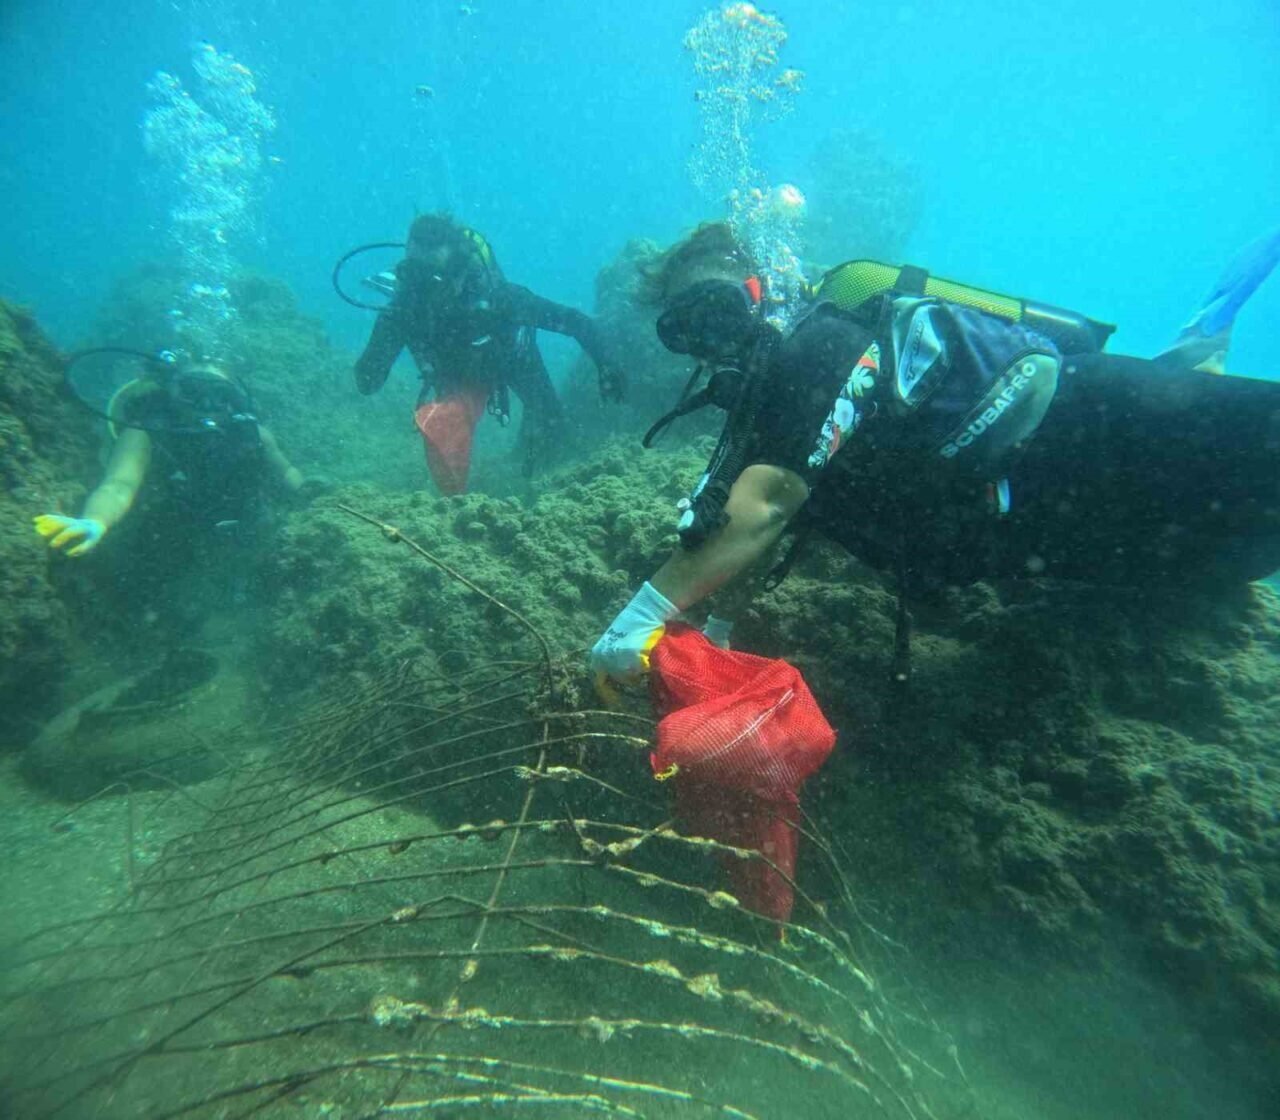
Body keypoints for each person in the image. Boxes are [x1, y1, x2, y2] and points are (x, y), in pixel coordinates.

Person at [590, 223, 1280, 683]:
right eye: (685, 330)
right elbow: (755, 530)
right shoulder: (765, 405)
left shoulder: (818, 342)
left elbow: (768, 503)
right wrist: (717, 627)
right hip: (1040, 526)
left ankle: (1196, 354)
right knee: (1234, 565)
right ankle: (1195, 356)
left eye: (719, 310)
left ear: (760, 291)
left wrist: (641, 618)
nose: (714, 339)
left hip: (1097, 428)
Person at [352, 213, 626, 494]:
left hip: (511, 361)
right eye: (413, 275)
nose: (424, 292)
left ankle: (533, 467)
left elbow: (576, 322)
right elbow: (367, 384)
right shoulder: (406, 309)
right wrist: (386, 335)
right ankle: (458, 489)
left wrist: (607, 364)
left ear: (460, 271)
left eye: (433, 280)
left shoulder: (500, 300)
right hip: (451, 372)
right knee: (451, 421)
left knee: (552, 424)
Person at [34, 359, 308, 559]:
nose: (206, 406)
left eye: (219, 395)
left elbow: (286, 472)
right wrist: (95, 521)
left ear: (232, 399)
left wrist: (311, 500)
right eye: (193, 392)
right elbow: (118, 485)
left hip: (245, 532)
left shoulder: (251, 432)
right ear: (172, 394)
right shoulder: (146, 432)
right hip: (166, 538)